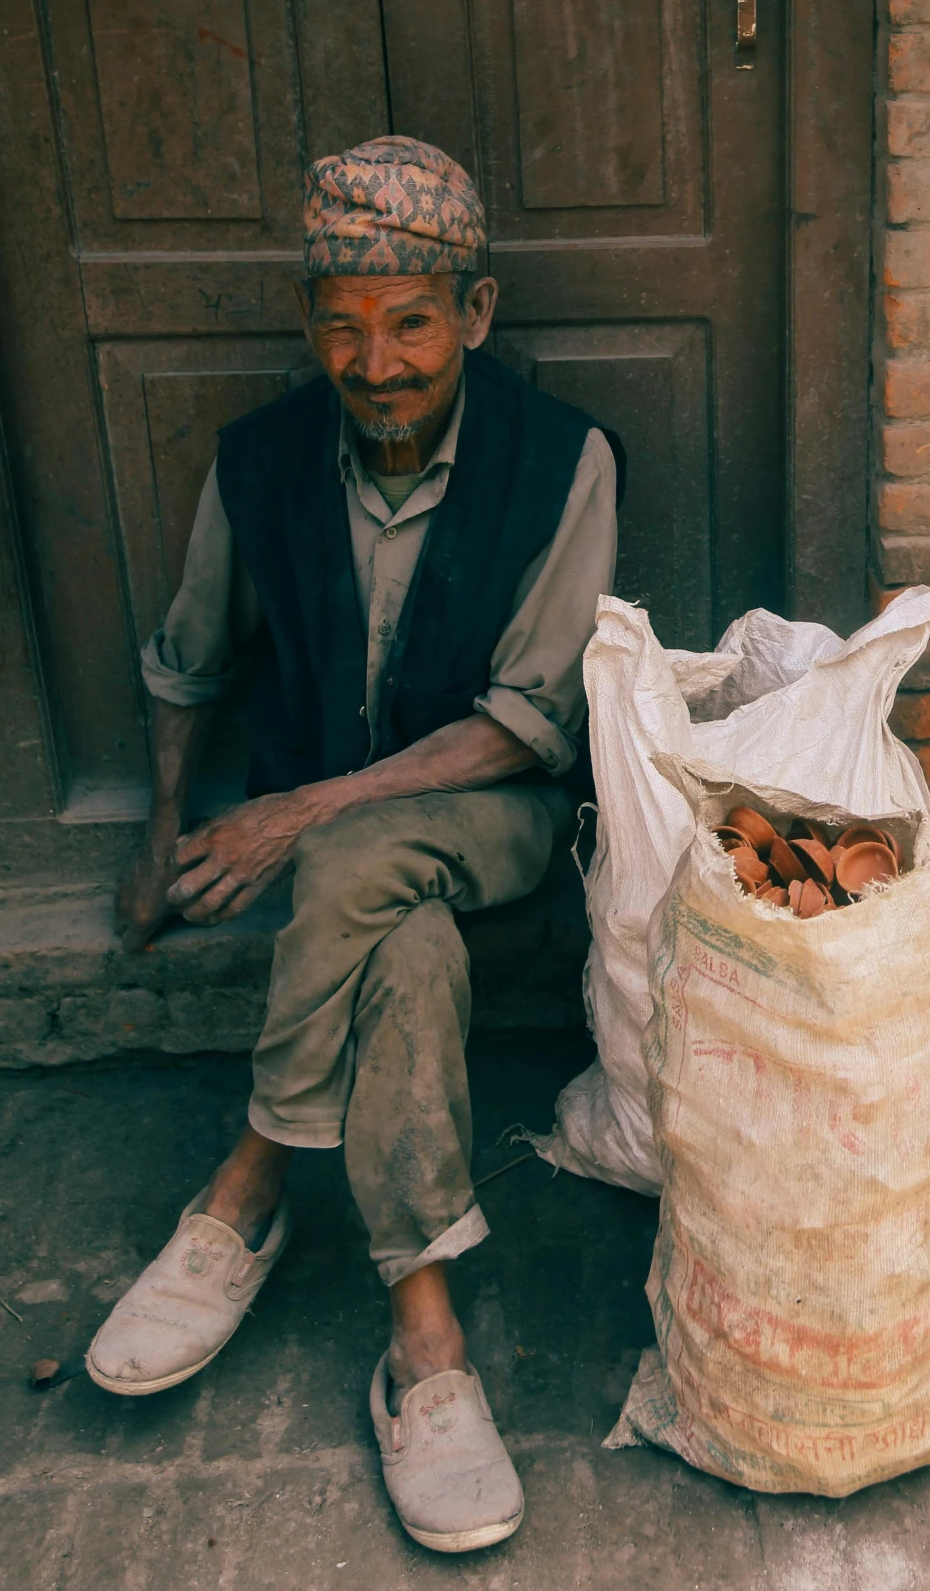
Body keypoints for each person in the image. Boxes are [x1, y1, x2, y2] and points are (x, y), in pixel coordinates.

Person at [86, 136, 616, 1554]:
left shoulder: (562, 461)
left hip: (496, 814)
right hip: (375, 880)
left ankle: (246, 1186)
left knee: (342, 855)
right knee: (409, 952)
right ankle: (424, 1346)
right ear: (309, 320)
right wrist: (161, 836)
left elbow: (527, 722)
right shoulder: (259, 464)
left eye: (411, 323)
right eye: (341, 322)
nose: (374, 361)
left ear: (478, 312)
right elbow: (189, 657)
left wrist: (298, 808)